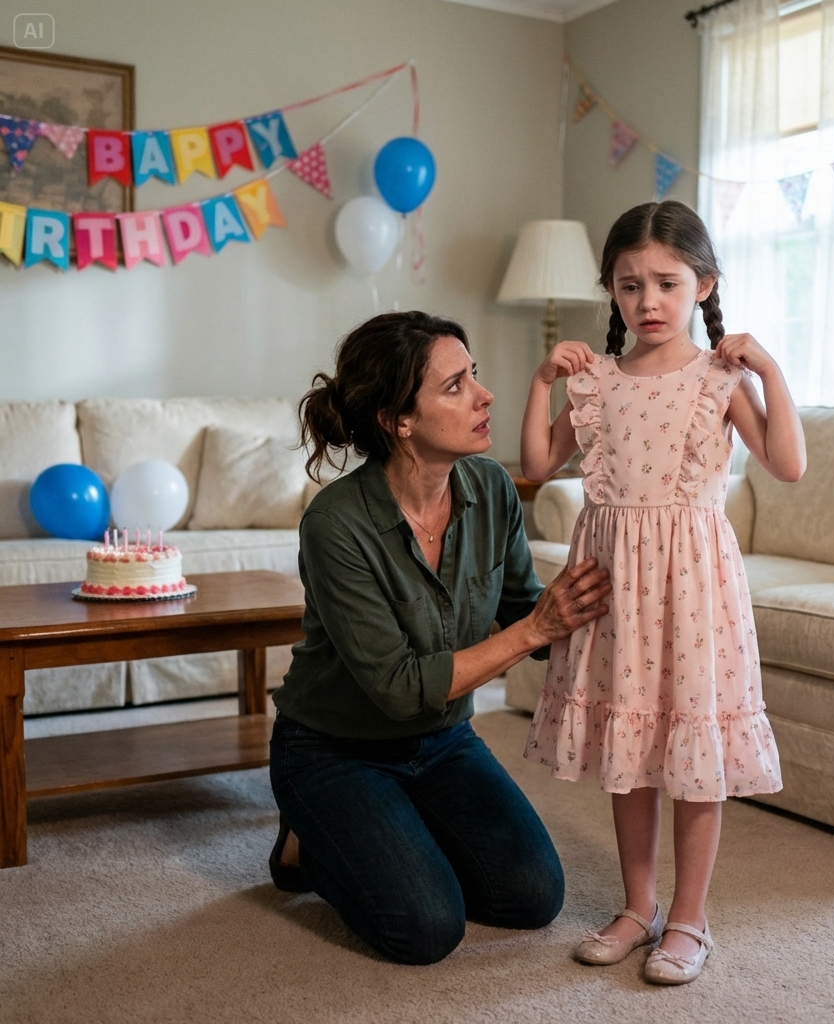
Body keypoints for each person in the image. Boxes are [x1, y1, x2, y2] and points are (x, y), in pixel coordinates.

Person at [269, 310, 612, 966]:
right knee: (426, 928)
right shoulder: (335, 524)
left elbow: (525, 609)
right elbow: (401, 688)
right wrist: (537, 628)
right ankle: (306, 842)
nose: (485, 395)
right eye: (456, 386)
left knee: (532, 896)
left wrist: (608, 598)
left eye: (473, 375)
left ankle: (393, 824)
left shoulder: (490, 487)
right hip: (336, 750)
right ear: (399, 420)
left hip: (444, 741)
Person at [519, 201, 806, 985]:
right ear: (611, 291)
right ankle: (638, 906)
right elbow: (538, 464)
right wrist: (542, 381)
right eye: (629, 285)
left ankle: (689, 917)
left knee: (693, 743)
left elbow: (787, 464)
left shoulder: (720, 378)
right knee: (632, 750)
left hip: (692, 591)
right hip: (617, 590)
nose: (647, 301)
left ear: (703, 285)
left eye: (667, 284)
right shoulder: (597, 381)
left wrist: (770, 372)